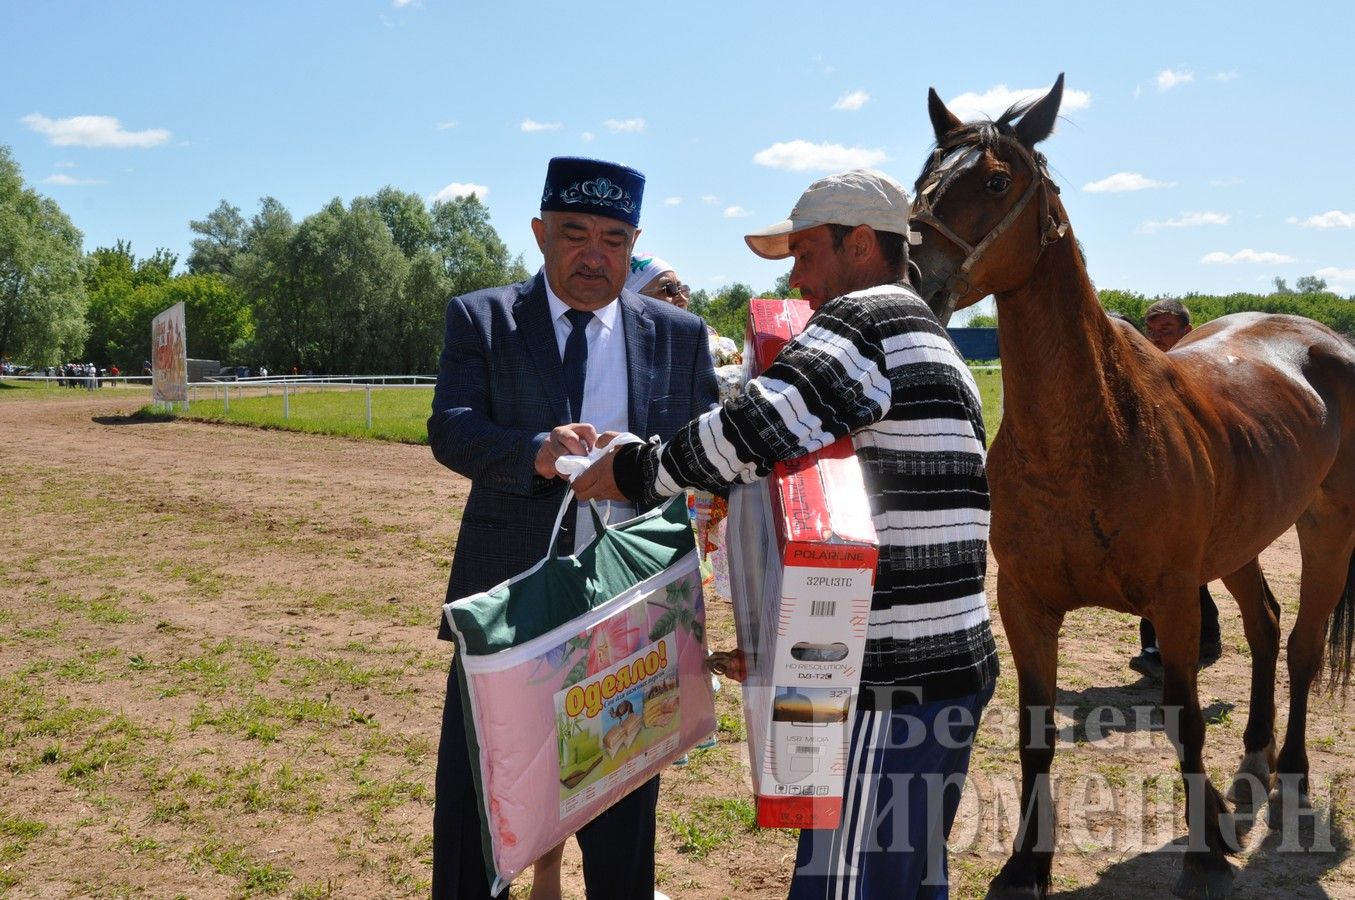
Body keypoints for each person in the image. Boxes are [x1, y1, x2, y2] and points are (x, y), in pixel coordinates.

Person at [574, 169, 998, 899]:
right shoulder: (930, 339)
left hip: (890, 681)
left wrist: (633, 470)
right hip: (947, 664)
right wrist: (779, 642)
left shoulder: (862, 322)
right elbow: (848, 505)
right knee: (906, 873)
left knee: (846, 881)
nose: (796, 281)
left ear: (860, 245)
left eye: (804, 255)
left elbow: (757, 427)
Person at [427, 156, 718, 900]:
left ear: (634, 243)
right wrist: (534, 452)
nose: (595, 255)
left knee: (621, 793)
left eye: (614, 240)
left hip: (633, 603)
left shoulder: (680, 336)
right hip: (513, 598)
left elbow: (708, 452)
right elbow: (452, 429)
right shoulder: (482, 316)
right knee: (481, 798)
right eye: (574, 234)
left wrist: (650, 467)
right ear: (539, 233)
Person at [1127, 298, 1223, 678]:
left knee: (1176, 572)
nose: (1156, 338)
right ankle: (1167, 646)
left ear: (1188, 330)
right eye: (1151, 331)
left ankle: (1189, 645)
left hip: (1192, 488)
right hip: (1156, 485)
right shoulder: (1149, 370)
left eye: (1165, 330)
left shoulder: (1198, 373)